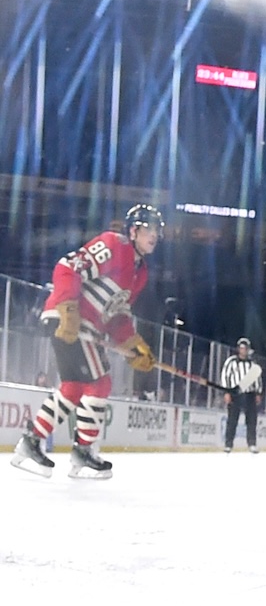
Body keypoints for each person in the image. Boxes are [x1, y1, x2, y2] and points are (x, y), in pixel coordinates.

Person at [12, 205, 163, 480]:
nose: (153, 235)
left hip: (86, 327)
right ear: (133, 230)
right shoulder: (114, 244)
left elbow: (117, 314)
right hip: (67, 318)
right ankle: (80, 450)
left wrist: (132, 344)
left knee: (74, 387)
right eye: (147, 229)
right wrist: (68, 308)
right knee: (99, 383)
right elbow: (68, 267)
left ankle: (32, 443)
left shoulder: (140, 273)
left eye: (156, 230)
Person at [218, 338, 264, 454]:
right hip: (235, 394)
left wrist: (258, 393)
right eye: (241, 348)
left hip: (249, 394)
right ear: (238, 349)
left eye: (245, 348)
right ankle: (228, 444)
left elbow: (257, 379)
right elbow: (225, 376)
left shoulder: (252, 364)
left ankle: (252, 444)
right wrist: (226, 392)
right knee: (232, 419)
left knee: (252, 420)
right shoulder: (231, 361)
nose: (243, 350)